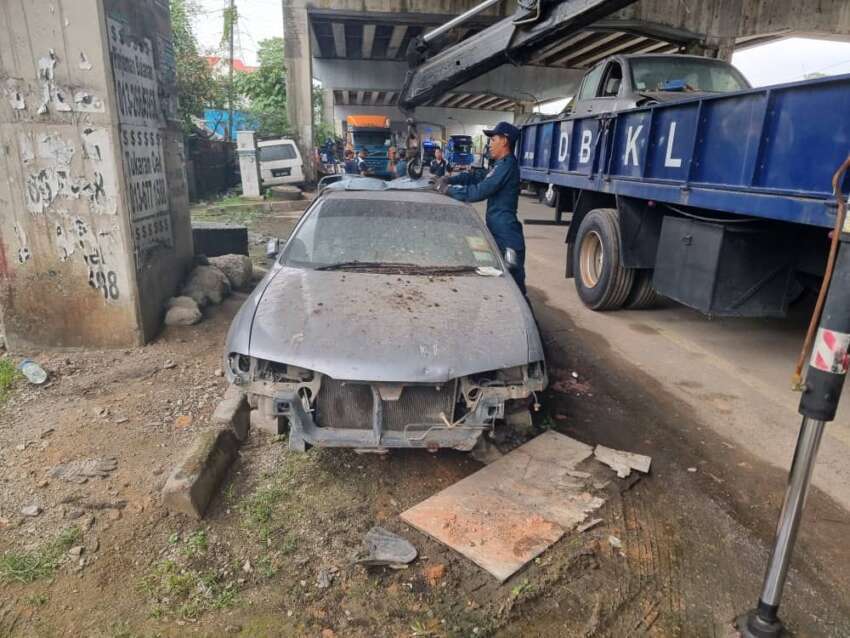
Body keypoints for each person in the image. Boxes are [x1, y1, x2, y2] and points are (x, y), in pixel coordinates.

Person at [436, 121, 527, 295]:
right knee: (503, 286)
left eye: (493, 140)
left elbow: (479, 191)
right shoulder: (500, 165)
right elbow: (476, 176)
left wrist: (447, 190)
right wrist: (450, 179)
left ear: (504, 141)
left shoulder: (507, 165)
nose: (490, 144)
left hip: (507, 237)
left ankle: (528, 321)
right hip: (499, 233)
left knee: (515, 290)